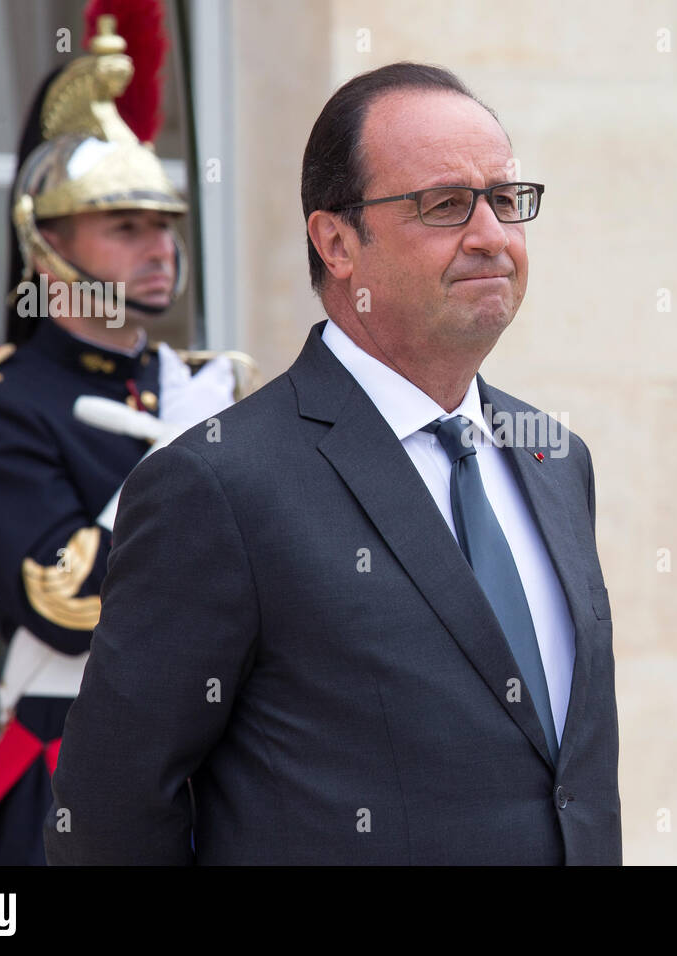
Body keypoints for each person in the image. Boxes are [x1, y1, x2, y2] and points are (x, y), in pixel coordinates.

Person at [45, 62, 621, 865]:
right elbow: (110, 813)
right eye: (446, 205)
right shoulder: (218, 486)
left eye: (506, 200)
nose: (492, 235)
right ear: (337, 243)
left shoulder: (556, 459)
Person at [0, 14, 254, 865]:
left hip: (217, 771)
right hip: (68, 778)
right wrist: (170, 465)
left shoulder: (202, 382)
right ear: (48, 246)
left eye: (164, 224)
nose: (160, 249)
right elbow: (67, 606)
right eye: (125, 228)